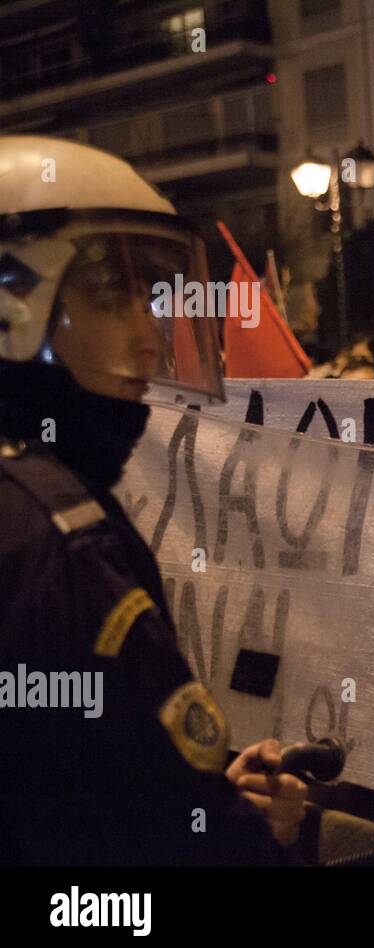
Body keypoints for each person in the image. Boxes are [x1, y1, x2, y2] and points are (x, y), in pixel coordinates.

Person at [0, 136, 306, 865]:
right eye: (112, 298)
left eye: (153, 299)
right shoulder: (64, 540)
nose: (149, 341)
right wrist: (251, 834)